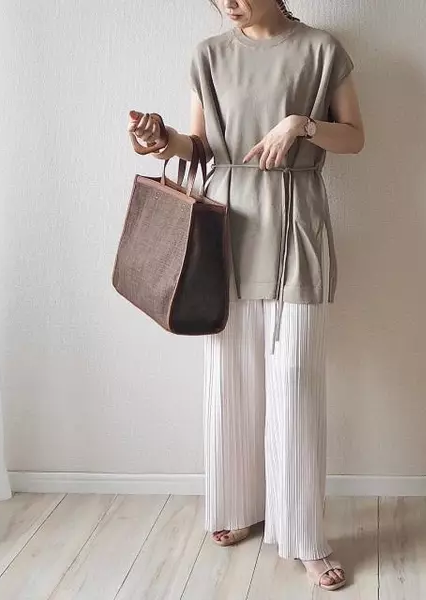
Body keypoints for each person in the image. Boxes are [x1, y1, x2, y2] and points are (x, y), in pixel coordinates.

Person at [128, 0, 364, 591]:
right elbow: (200, 147)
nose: (227, 3)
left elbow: (356, 138)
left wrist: (301, 125)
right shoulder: (209, 55)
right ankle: (237, 505)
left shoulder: (321, 49)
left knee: (296, 381)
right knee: (229, 377)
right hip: (226, 225)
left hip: (295, 220)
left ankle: (305, 536)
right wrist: (161, 141)